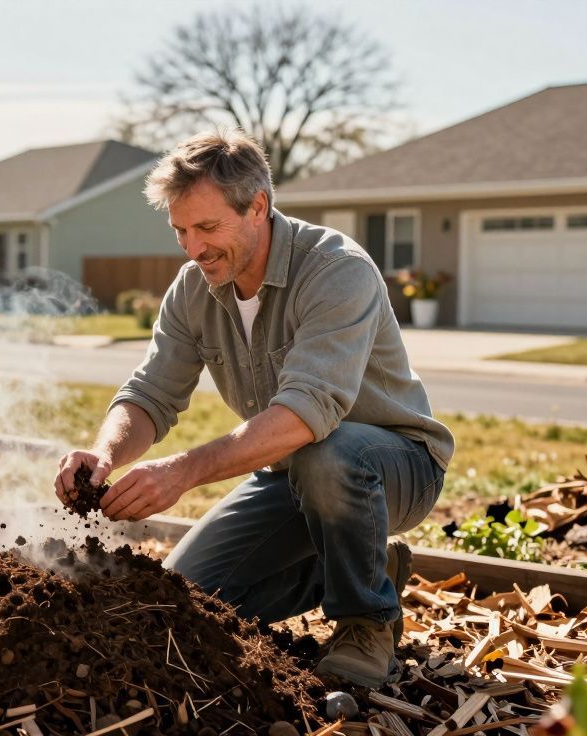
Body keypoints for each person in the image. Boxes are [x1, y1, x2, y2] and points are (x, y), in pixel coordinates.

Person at [53, 129, 453, 687]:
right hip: (290, 471)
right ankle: (363, 566)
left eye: (208, 228)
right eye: (181, 231)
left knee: (328, 454)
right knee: (188, 596)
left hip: (392, 466)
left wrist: (183, 471)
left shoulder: (337, 270)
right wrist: (103, 455)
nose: (193, 248)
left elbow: (305, 414)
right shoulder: (193, 289)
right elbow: (150, 393)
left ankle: (366, 620)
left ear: (258, 205)